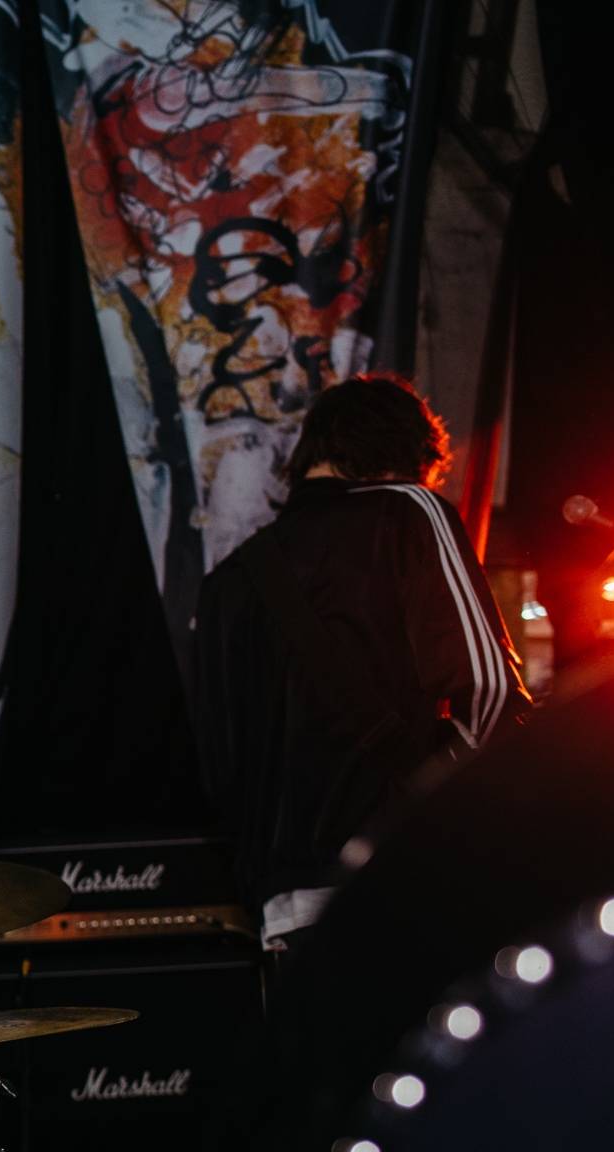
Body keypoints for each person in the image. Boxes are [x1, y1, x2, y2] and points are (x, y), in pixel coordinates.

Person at [193, 373, 531, 978]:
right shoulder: (409, 509)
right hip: (407, 873)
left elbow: (220, 766)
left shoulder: (230, 581)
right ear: (407, 453)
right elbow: (488, 685)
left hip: (286, 903)